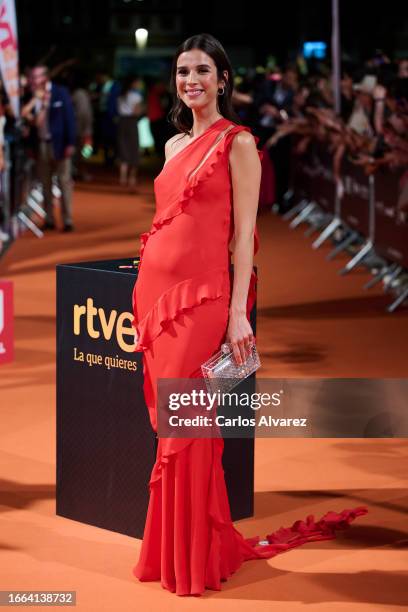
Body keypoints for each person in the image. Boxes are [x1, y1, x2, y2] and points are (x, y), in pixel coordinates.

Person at [130, 33, 368, 597]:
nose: (192, 80)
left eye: (203, 71)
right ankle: (174, 552)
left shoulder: (238, 143)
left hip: (205, 301)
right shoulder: (171, 145)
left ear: (223, 79)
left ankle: (194, 558)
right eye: (184, 71)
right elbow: (166, 223)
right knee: (174, 425)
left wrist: (239, 313)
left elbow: (243, 240)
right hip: (157, 299)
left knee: (186, 429)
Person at [28, 65, 76, 232]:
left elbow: (70, 118)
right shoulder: (33, 96)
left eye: (37, 76)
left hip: (60, 144)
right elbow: (31, 122)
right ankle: (49, 219)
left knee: (64, 182)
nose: (34, 80)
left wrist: (70, 143)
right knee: (45, 183)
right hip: (41, 144)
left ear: (46, 77)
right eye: (32, 77)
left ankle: (67, 220)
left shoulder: (60, 92)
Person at [116, 76, 144, 191]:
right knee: (133, 150)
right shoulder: (137, 96)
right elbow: (136, 112)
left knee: (123, 149)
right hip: (132, 123)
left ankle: (122, 178)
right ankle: (131, 179)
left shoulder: (121, 95)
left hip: (121, 122)